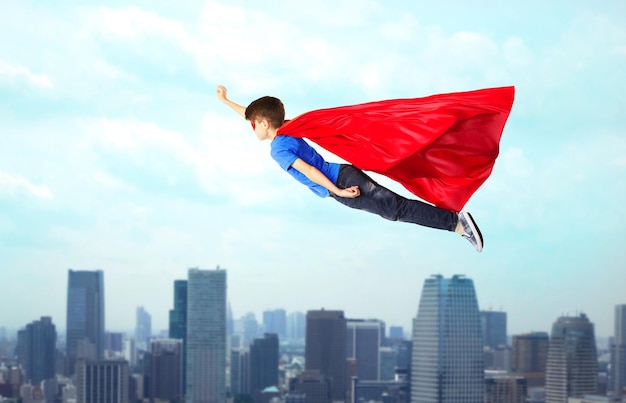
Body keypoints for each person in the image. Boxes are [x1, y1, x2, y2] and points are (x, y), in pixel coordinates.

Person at [216, 85, 487, 252]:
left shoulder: (278, 148)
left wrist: (338, 191)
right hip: (343, 174)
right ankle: (454, 222)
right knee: (395, 209)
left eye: (254, 123)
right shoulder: (287, 128)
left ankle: (456, 223)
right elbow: (251, 113)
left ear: (264, 123)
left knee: (396, 210)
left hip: (341, 182)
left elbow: (310, 171)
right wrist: (227, 101)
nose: (251, 126)